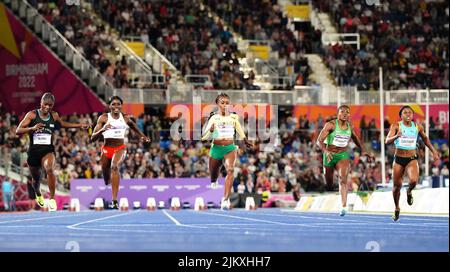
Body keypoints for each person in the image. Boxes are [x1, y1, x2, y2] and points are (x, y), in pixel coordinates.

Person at [15, 93, 90, 211]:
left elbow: (63, 124)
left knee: (49, 169)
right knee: (36, 179)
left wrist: (79, 125)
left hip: (47, 150)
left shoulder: (54, 116)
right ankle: (38, 194)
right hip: (34, 151)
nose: (47, 107)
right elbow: (18, 130)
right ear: (41, 103)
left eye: (50, 105)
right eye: (45, 104)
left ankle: (52, 198)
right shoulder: (32, 115)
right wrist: (32, 128)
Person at [91, 96, 150, 209]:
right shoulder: (103, 118)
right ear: (110, 106)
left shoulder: (125, 118)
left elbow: (134, 126)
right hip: (106, 150)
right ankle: (109, 181)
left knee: (114, 166)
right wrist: (103, 129)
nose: (116, 106)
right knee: (106, 179)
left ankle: (114, 200)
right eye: (113, 104)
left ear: (121, 106)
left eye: (118, 104)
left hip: (120, 148)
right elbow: (92, 138)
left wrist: (143, 136)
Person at [316, 105, 375, 216]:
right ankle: (329, 186)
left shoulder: (349, 127)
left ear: (349, 115)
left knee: (343, 179)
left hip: (342, 155)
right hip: (329, 155)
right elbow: (319, 141)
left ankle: (344, 206)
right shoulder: (331, 125)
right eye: (342, 111)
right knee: (328, 182)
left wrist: (364, 151)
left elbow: (356, 138)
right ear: (338, 113)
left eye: (347, 112)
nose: (344, 113)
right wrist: (326, 151)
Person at [385, 105, 440, 221]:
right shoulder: (396, 126)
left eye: (410, 112)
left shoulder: (417, 127)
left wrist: (434, 152)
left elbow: (425, 140)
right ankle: (397, 208)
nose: (408, 114)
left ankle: (409, 191)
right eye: (405, 112)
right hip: (398, 159)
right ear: (401, 115)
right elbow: (387, 141)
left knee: (414, 181)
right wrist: (396, 136)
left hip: (411, 158)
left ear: (413, 115)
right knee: (396, 187)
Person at [201, 93, 253, 210]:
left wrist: (245, 139)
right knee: (214, 173)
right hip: (217, 148)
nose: (225, 105)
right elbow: (204, 137)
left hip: (230, 147)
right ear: (218, 104)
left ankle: (225, 199)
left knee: (230, 170)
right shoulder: (213, 117)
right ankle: (213, 180)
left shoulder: (233, 117)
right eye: (222, 103)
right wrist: (211, 130)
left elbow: (239, 128)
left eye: (227, 103)